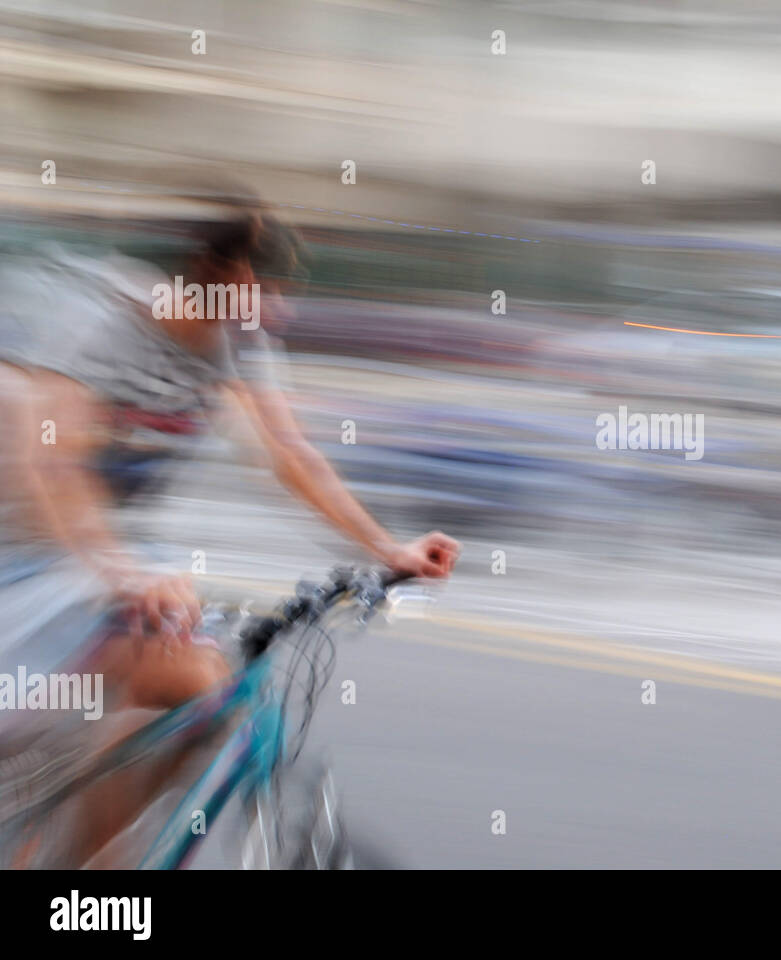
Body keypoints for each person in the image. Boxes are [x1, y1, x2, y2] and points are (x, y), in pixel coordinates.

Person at [0, 200, 459, 865]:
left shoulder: (235, 343)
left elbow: (289, 454)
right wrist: (122, 574)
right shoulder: (104, 321)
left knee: (201, 693)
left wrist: (387, 549)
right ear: (213, 270)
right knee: (50, 733)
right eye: (265, 287)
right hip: (30, 554)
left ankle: (92, 876)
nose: (279, 309)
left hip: (105, 556)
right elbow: (55, 464)